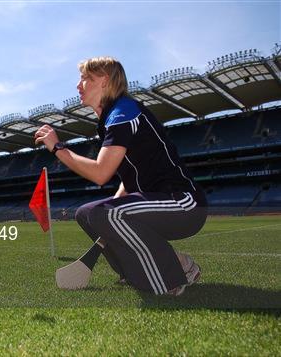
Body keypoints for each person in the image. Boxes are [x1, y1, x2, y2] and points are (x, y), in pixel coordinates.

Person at [34, 57, 207, 296]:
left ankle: (169, 278)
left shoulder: (123, 111)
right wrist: (112, 210)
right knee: (86, 214)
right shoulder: (110, 120)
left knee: (101, 212)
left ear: (104, 81)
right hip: (155, 201)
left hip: (184, 202)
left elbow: (101, 173)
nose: (78, 85)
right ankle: (135, 271)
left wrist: (57, 148)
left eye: (86, 79)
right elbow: (128, 178)